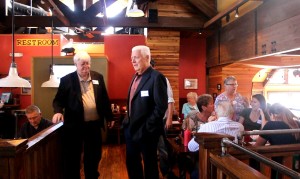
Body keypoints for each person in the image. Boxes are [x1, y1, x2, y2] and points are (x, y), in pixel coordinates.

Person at [52, 51, 114, 179]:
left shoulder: (98, 77)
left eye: (88, 63)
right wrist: (58, 111)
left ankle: (91, 176)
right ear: (76, 64)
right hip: (75, 126)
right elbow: (58, 100)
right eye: (82, 64)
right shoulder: (67, 80)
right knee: (73, 157)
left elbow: (104, 99)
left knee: (94, 155)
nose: (86, 66)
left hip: (94, 126)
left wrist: (109, 117)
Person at [123, 45, 168, 179]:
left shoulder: (157, 77)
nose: (133, 61)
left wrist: (147, 127)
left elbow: (160, 107)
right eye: (131, 58)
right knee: (132, 163)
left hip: (146, 132)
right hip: (131, 129)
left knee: (150, 166)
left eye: (136, 57)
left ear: (147, 57)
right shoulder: (135, 77)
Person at [254, 103, 300, 178]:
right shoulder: (297, 123)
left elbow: (257, 146)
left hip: (278, 169)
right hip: (296, 168)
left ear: (273, 115)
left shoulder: (270, 125)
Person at [151, 59, 176, 178]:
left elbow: (170, 100)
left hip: (161, 120)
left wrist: (169, 118)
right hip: (147, 121)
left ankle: (166, 172)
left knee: (162, 148)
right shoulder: (140, 79)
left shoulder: (162, 79)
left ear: (154, 67)